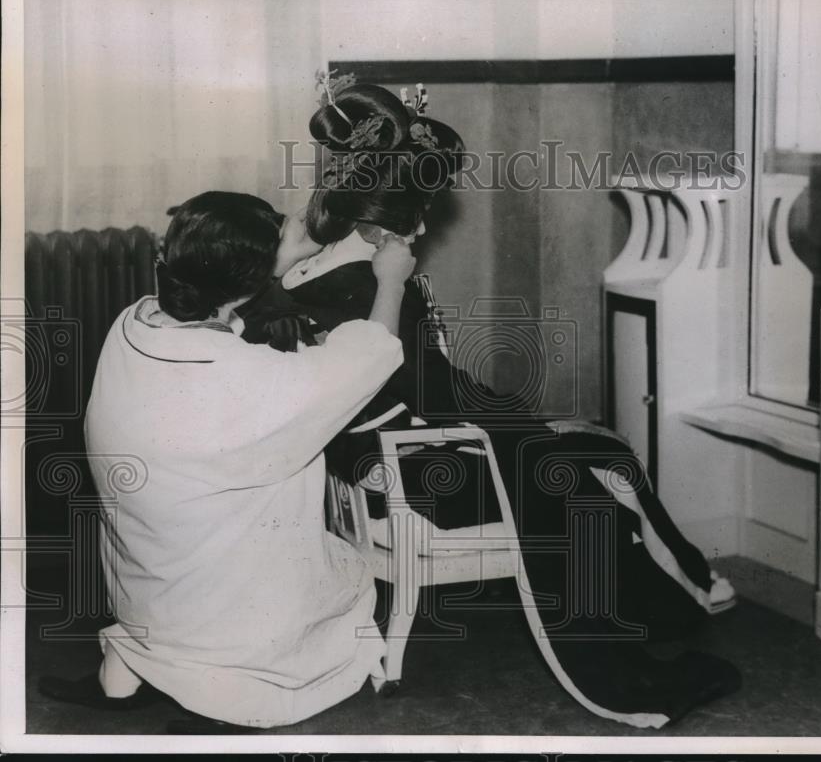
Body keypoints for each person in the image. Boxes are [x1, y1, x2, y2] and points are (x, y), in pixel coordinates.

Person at [238, 75, 740, 728]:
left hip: (358, 461)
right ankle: (689, 593)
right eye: (427, 211)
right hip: (423, 470)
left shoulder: (304, 272)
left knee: (575, 445)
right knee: (604, 456)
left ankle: (678, 591)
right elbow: (436, 391)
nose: (427, 223)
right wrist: (517, 419)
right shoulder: (384, 286)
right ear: (411, 216)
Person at [38, 190, 416, 731]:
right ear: (247, 279)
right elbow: (368, 355)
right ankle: (228, 702)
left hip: (145, 569)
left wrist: (278, 256)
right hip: (220, 596)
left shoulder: (132, 324)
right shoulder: (247, 376)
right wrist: (392, 280)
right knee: (348, 578)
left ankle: (123, 677)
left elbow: (224, 340)